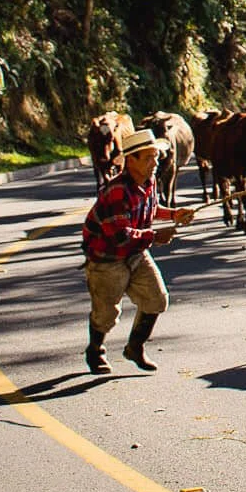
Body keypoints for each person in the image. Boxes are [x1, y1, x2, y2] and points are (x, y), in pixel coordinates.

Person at [81, 124, 185, 374]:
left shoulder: (148, 182)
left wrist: (175, 214)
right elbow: (119, 236)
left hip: (135, 253)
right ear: (131, 160)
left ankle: (134, 347)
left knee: (157, 299)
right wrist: (155, 236)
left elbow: (150, 210)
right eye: (149, 157)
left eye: (156, 156)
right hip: (107, 259)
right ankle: (95, 351)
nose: (155, 162)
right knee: (106, 314)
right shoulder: (116, 191)